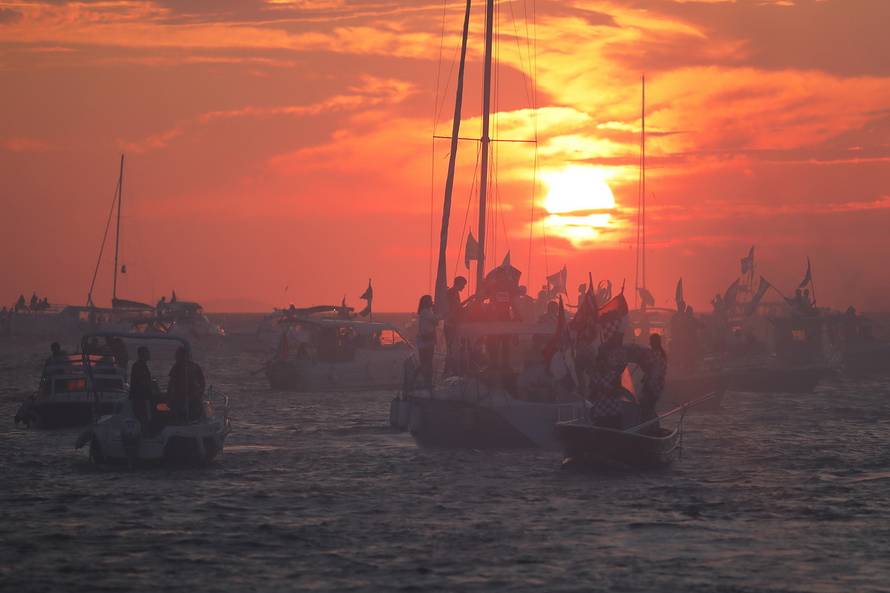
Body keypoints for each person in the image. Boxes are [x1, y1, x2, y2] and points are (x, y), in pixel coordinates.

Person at [167, 347, 206, 422]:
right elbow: (171, 383)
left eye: (178, 355)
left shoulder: (193, 366)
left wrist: (199, 393)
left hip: (191, 396)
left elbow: (202, 382)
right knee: (180, 412)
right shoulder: (177, 367)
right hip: (180, 396)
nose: (176, 357)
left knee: (189, 412)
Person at [637, 333, 667, 426]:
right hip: (657, 386)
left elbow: (648, 368)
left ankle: (651, 425)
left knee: (646, 406)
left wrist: (640, 362)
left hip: (652, 385)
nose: (649, 343)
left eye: (651, 341)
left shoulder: (654, 354)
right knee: (650, 406)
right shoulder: (662, 355)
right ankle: (652, 425)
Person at [443, 276, 467, 374]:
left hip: (451, 322)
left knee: (450, 346)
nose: (464, 287)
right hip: (450, 323)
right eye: (463, 285)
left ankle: (450, 369)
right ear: (459, 283)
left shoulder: (453, 292)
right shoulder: (452, 292)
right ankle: (449, 370)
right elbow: (456, 307)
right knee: (450, 346)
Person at [129, 346, 154, 429]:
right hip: (139, 397)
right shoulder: (138, 366)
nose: (149, 354)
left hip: (142, 396)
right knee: (142, 417)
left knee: (144, 416)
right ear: (142, 354)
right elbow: (141, 382)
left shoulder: (141, 365)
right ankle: (144, 432)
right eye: (147, 352)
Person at [416, 295, 437, 388]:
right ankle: (427, 382)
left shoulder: (425, 312)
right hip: (426, 340)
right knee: (427, 362)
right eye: (431, 301)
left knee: (426, 362)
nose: (432, 302)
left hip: (425, 341)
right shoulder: (426, 312)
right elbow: (435, 320)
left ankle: (426, 381)